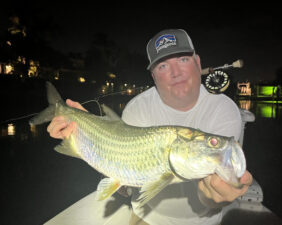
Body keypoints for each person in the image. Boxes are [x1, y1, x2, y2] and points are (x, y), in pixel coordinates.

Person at [47, 29, 252, 225]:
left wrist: (215, 196)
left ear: (198, 63)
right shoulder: (137, 108)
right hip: (147, 219)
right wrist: (84, 134)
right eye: (162, 66)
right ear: (153, 76)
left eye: (183, 59)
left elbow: (212, 191)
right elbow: (123, 182)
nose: (176, 72)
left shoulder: (224, 109)